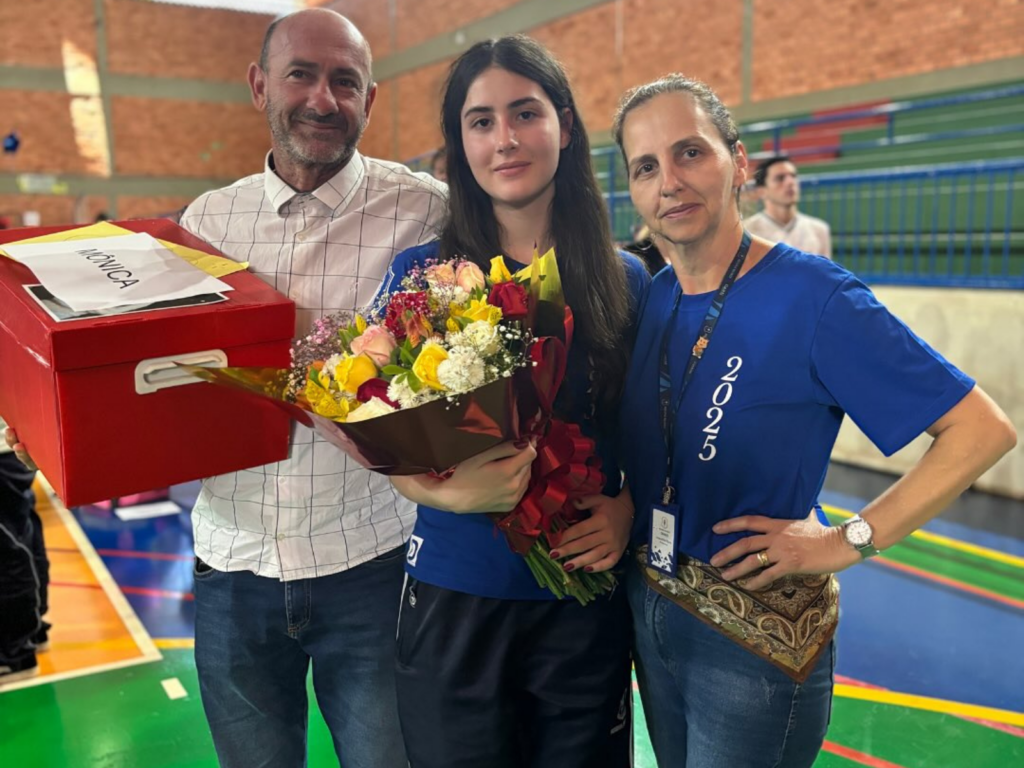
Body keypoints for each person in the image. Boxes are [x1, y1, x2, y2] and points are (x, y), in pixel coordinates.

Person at [7, 8, 445, 767]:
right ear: (259, 86)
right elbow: (148, 367)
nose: (323, 99)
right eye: (301, 75)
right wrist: (40, 410)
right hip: (232, 565)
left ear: (371, 100)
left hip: (372, 564)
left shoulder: (425, 209)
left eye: (346, 82)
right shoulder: (207, 221)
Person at [612, 74, 1015, 768]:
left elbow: (982, 430)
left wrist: (845, 540)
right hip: (652, 611)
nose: (669, 182)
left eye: (690, 152)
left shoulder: (815, 296)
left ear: (738, 162)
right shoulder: (656, 295)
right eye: (645, 167)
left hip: (754, 651)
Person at [376, 35, 650, 768]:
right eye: (482, 121)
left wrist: (628, 510)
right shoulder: (421, 277)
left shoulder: (626, 279)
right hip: (454, 596)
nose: (505, 139)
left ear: (565, 124)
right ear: (460, 144)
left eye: (526, 113)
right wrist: (436, 489)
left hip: (582, 599)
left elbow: (653, 433)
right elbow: (378, 429)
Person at [0, 416, 49, 684]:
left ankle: (15, 654)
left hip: (7, 451)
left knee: (9, 552)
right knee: (21, 534)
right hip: (13, 445)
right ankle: (33, 631)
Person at [744, 155, 832, 258]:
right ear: (761, 191)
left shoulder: (819, 230)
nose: (790, 182)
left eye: (793, 176)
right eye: (780, 178)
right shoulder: (747, 231)